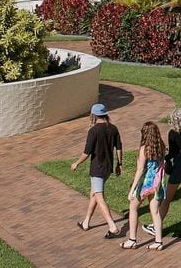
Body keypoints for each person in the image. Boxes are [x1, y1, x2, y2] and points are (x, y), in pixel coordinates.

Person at [143, 108, 181, 240]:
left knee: (166, 199)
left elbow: (173, 153)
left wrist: (166, 153)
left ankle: (155, 226)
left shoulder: (172, 133)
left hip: (180, 165)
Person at [70, 102, 123, 237]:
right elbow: (119, 147)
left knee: (99, 196)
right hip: (108, 168)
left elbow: (86, 153)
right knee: (94, 193)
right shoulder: (113, 128)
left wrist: (76, 163)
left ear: (94, 115)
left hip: (97, 168)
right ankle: (86, 222)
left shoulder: (93, 131)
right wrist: (119, 164)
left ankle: (112, 227)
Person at [119, 121, 166, 250]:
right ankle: (158, 241)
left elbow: (140, 170)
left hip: (145, 183)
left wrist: (132, 189)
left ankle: (132, 239)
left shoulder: (144, 149)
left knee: (133, 208)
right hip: (157, 183)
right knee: (155, 212)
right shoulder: (161, 146)